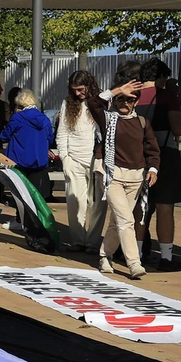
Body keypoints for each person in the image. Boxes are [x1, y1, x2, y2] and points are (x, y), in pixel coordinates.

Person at [92, 84, 159, 279]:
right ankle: (134, 263)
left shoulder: (142, 122)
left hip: (135, 177)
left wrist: (153, 169)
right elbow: (93, 103)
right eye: (121, 99)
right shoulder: (108, 119)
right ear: (115, 101)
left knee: (118, 221)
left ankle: (105, 255)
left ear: (136, 102)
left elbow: (152, 150)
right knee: (126, 220)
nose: (125, 103)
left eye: (130, 99)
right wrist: (116, 90)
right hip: (111, 175)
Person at [140, 58, 181, 268]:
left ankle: (137, 254)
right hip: (165, 154)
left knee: (140, 207)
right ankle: (166, 257)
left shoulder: (132, 95)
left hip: (137, 156)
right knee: (165, 206)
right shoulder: (167, 96)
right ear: (161, 77)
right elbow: (177, 129)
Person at [55, 70, 103, 252]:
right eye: (74, 90)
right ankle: (77, 240)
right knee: (76, 202)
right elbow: (62, 132)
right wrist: (65, 159)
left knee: (98, 203)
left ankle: (92, 241)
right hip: (74, 159)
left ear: (89, 86)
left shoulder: (100, 101)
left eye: (81, 89)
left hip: (97, 160)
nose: (77, 93)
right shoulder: (68, 103)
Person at [0, 89, 56, 200]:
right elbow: (50, 139)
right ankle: (33, 217)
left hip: (18, 161)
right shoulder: (45, 119)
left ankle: (20, 217)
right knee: (34, 197)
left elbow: (4, 136)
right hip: (39, 162)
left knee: (20, 195)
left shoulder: (17, 118)